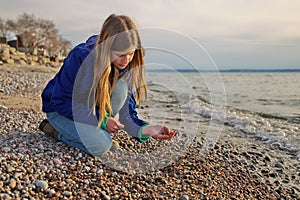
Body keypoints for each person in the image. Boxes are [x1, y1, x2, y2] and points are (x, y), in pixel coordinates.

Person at [39, 14, 176, 156]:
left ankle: (97, 133)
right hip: (61, 112)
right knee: (102, 146)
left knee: (121, 88)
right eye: (121, 54)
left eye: (131, 53)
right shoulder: (80, 57)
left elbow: (126, 112)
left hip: (89, 112)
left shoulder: (126, 64)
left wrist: (147, 129)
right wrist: (102, 119)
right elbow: (59, 102)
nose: (127, 60)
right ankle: (55, 131)